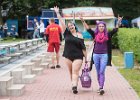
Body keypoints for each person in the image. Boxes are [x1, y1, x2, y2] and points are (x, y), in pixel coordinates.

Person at [80, 15, 122, 95]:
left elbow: (115, 30)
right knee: (98, 72)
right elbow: (88, 28)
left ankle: (101, 87)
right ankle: (100, 86)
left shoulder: (108, 35)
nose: (101, 27)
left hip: (104, 55)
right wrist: (82, 21)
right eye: (100, 26)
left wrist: (119, 22)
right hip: (95, 55)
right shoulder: (94, 34)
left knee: (102, 71)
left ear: (104, 27)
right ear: (98, 27)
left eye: (103, 26)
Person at [54, 6, 87, 94]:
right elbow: (61, 21)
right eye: (69, 26)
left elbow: (84, 48)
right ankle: (74, 83)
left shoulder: (80, 35)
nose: (70, 27)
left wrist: (86, 59)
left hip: (78, 56)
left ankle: (74, 87)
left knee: (75, 71)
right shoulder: (66, 33)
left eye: (72, 25)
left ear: (74, 26)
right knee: (71, 73)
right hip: (68, 56)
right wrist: (57, 13)